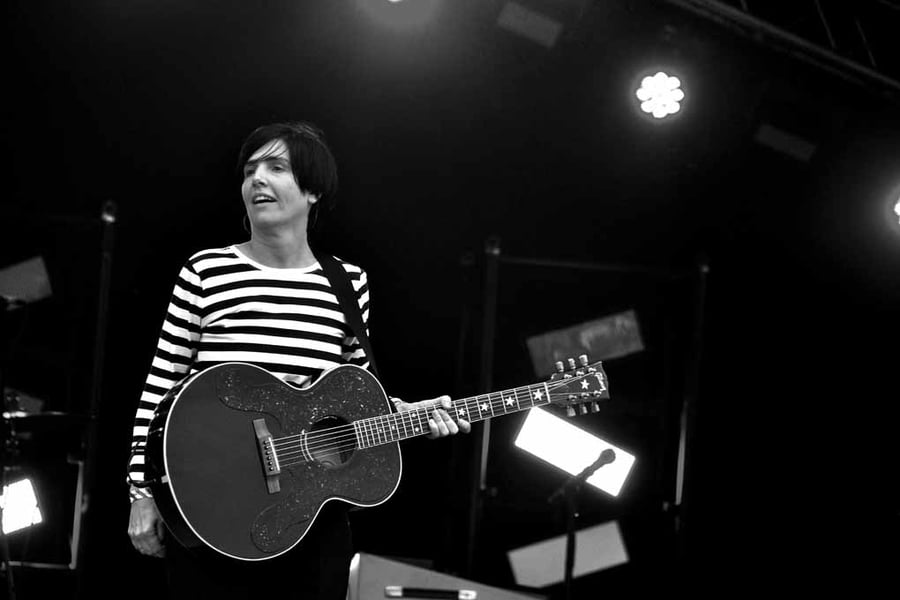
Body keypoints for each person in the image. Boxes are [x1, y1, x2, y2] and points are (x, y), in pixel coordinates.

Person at [126, 121, 470, 599]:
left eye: (276, 167)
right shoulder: (206, 271)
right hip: (211, 507)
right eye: (250, 170)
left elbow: (354, 396)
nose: (257, 179)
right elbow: (160, 384)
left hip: (312, 518)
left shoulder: (348, 283)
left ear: (313, 190)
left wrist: (407, 414)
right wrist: (142, 492)